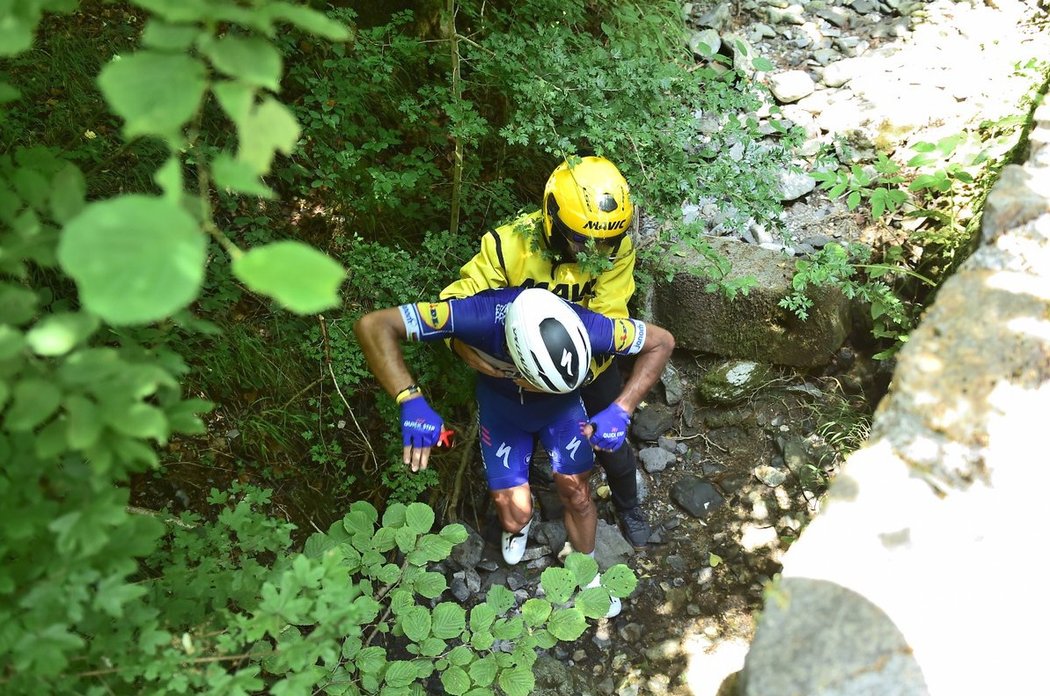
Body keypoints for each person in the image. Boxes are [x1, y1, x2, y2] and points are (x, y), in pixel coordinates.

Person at [354, 287, 674, 615]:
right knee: (515, 512)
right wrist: (409, 399)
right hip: (503, 410)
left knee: (578, 495)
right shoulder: (478, 316)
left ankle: (586, 574)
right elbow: (375, 325)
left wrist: (623, 408)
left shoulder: (592, 326)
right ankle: (518, 526)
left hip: (562, 410)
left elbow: (661, 341)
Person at [439, 155, 655, 546]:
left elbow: (611, 315)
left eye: (606, 241)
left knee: (612, 444)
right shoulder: (508, 246)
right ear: (552, 218)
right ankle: (515, 516)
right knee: (514, 444)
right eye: (583, 240)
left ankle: (628, 506)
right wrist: (468, 349)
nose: (595, 252)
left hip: (590, 361)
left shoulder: (615, 248)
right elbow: (458, 303)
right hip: (518, 368)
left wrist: (575, 377)